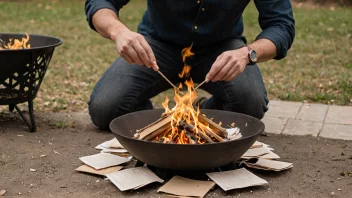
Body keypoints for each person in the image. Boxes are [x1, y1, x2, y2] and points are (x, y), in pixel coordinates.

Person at [85, 0, 295, 130]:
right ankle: (161, 119)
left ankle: (199, 110)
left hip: (221, 48)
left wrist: (247, 54)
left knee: (250, 104)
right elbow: (100, 2)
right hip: (158, 45)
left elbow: (281, 25)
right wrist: (118, 31)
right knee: (105, 108)